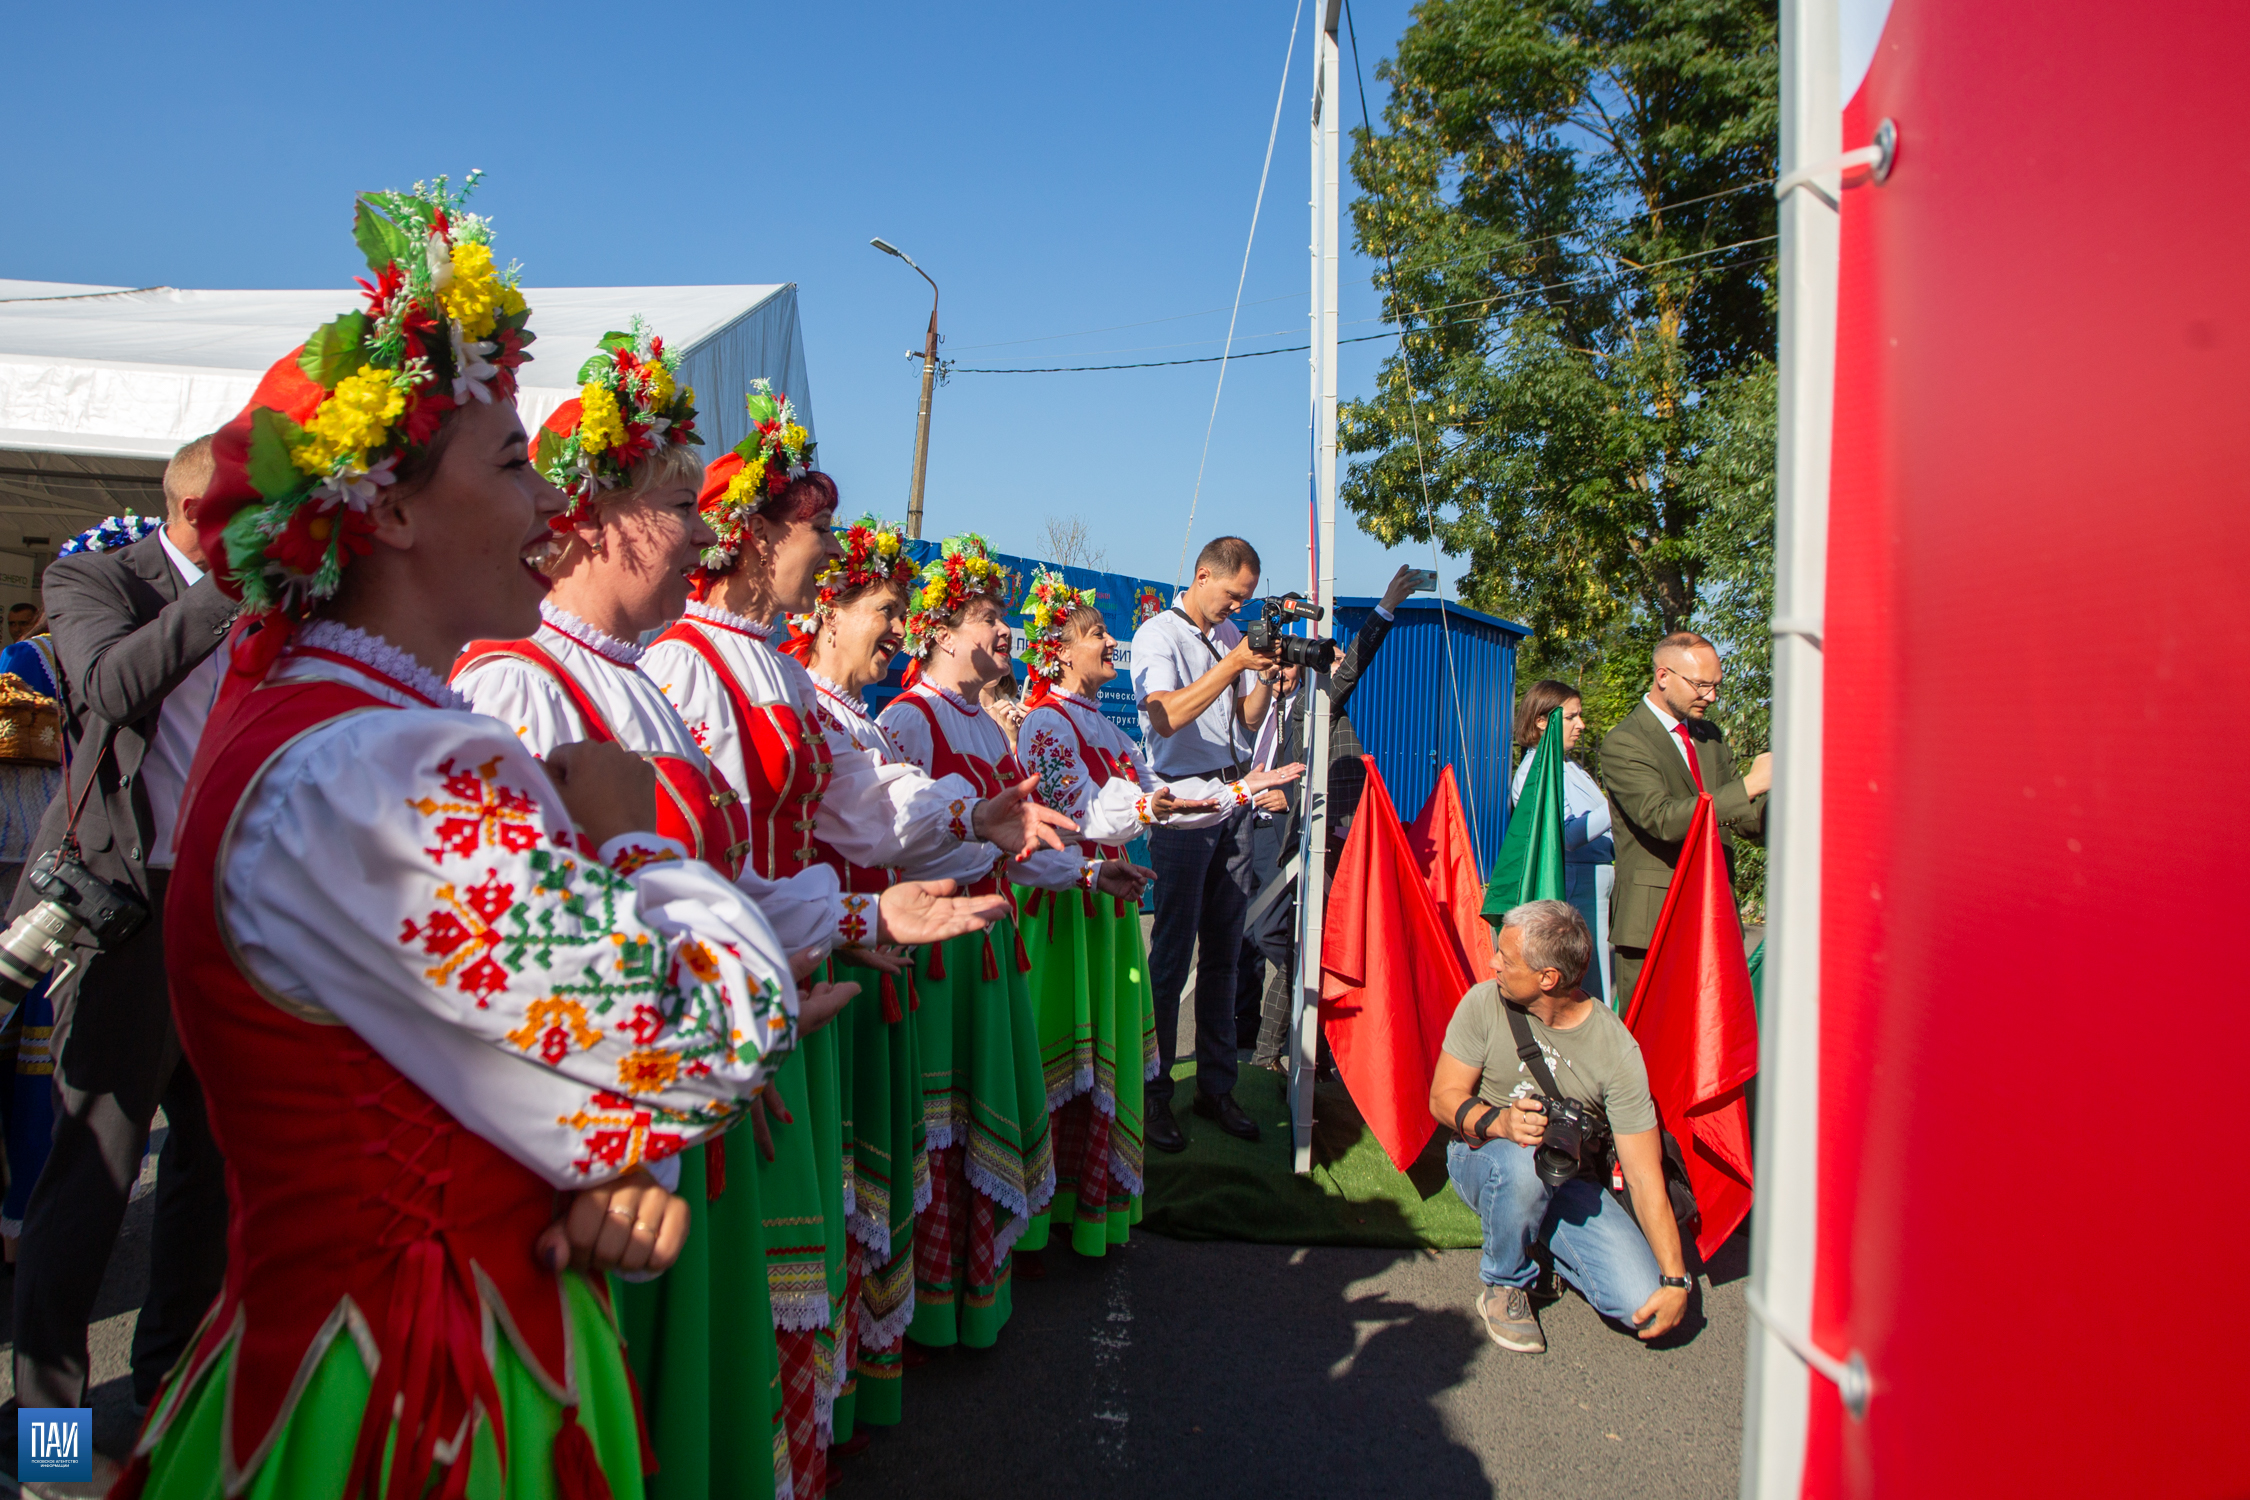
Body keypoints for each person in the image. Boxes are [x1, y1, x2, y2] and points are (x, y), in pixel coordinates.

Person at [124, 177, 806, 1499]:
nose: (555, 503)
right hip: (413, 1394)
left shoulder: (343, 726)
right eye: (509, 463)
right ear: (385, 510)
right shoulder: (375, 771)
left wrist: (596, 1161)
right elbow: (704, 1046)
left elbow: (523, 1070)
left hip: (421, 1347)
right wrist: (636, 845)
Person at [459, 357, 1023, 1500]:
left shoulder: (653, 678)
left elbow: (710, 879)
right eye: (677, 508)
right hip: (615, 1105)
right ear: (598, 520)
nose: (699, 533)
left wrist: (858, 914)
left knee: (725, 1336)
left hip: (714, 1041)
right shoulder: (534, 681)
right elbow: (525, 954)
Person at [1, 433, 233, 1442]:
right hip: (127, 910)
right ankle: (45, 1437)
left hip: (229, 913)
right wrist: (228, 593)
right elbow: (105, 687)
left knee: (212, 1175)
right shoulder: (96, 576)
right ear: (193, 511)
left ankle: (165, 1405)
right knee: (93, 1179)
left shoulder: (283, 602)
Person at [1012, 569, 1297, 1253]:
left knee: (1100, 1048)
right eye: (1094, 638)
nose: (1109, 643)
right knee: (1060, 1050)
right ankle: (1039, 1209)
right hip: (1065, 906)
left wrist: (1238, 793)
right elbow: (1085, 812)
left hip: (1103, 905)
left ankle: (1080, 1198)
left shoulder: (1091, 724)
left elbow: (1158, 797)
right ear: (1058, 653)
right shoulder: (1047, 721)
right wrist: (1151, 806)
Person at [877, 535, 1112, 1352]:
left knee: (982, 1119)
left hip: (989, 948)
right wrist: (984, 846)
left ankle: (977, 1288)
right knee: (941, 1131)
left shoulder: (986, 726)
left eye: (1003, 618)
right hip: (939, 956)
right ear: (940, 631)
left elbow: (1018, 844)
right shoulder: (907, 717)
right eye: (985, 618)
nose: (1004, 631)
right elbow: (894, 847)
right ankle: (931, 1308)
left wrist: (1082, 877)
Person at [1430, 900, 1692, 1355]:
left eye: (1506, 958)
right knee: (1520, 1164)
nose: (1493, 962)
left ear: (1548, 978)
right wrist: (1501, 1122)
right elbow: (1442, 1098)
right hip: (1486, 1158)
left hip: (1568, 1176)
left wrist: (1675, 1279)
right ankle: (1505, 1283)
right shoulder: (1483, 1002)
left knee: (1639, 1300)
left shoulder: (1616, 1049)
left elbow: (1645, 1173)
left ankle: (1538, 1238)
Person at [1128, 535, 1278, 1150]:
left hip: (1232, 799)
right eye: (1231, 595)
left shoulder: (1225, 639)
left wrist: (1267, 679)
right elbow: (1164, 716)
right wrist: (1236, 664)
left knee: (1225, 953)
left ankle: (1217, 1086)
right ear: (1202, 574)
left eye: (1244, 601)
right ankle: (1154, 1091)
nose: (1235, 610)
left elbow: (1244, 721)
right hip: (1183, 806)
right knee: (1170, 956)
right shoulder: (1156, 634)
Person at [1243, 562, 1419, 1068]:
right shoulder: (1269, 707)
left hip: (1314, 837)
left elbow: (1350, 669)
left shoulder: (1318, 705)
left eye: (1296, 661)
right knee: (1273, 942)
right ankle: (1282, 1047)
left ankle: (1278, 1053)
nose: (1286, 669)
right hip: (1260, 837)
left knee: (1302, 945)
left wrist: (1386, 608)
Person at [1601, 631, 1770, 1007]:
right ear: (1663, 676)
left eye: (1716, 686)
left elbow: (1736, 817)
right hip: (1654, 924)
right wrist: (1750, 784)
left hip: (1715, 917)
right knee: (1651, 1047)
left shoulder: (1709, 736)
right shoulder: (1624, 742)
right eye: (1701, 685)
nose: (1711, 697)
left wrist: (1785, 810)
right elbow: (1661, 819)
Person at [1511, 680, 1618, 1005]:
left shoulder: (1564, 764)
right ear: (1543, 721)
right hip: (1577, 880)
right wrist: (1618, 805)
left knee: (1593, 973)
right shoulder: (1538, 771)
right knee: (1589, 978)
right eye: (1572, 717)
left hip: (1590, 877)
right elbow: (1567, 835)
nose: (1581, 725)